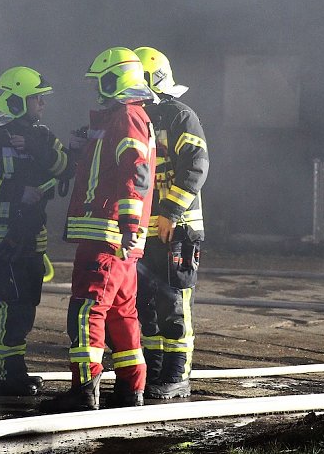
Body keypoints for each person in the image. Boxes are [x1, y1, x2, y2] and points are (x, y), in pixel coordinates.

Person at [39, 47, 157, 413]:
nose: (98, 90)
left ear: (116, 79)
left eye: (102, 82)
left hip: (105, 235)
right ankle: (130, 390)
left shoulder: (126, 117)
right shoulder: (124, 118)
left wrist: (127, 223)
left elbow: (135, 172)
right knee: (122, 315)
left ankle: (84, 390)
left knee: (86, 310)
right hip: (116, 237)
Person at [0, 66, 76, 397]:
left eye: (41, 99)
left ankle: (15, 372)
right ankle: (4, 377)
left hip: (32, 243)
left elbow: (67, 166)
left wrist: (38, 148)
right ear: (16, 101)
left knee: (25, 310)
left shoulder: (42, 137)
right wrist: (16, 191)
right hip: (3, 241)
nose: (42, 105)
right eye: (36, 99)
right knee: (10, 308)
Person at [133, 47, 209, 400]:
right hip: (144, 231)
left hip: (176, 229)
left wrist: (170, 213)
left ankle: (178, 375)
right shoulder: (137, 116)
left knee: (174, 304)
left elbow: (195, 166)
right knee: (145, 305)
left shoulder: (180, 116)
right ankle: (156, 369)